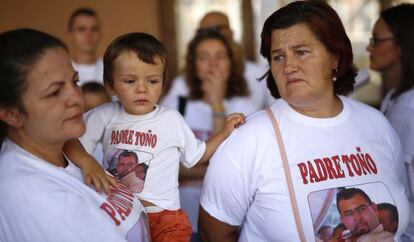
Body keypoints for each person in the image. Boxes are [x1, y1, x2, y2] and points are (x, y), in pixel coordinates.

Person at [198, 1, 409, 241]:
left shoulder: (377, 125)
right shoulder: (249, 139)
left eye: (301, 52)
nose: (289, 66)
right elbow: (212, 232)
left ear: (335, 58)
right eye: (278, 57)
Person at [63, 32, 245, 242]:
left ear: (162, 84)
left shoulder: (171, 119)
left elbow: (198, 155)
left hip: (166, 219)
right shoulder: (105, 115)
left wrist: (224, 132)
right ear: (110, 84)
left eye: (152, 80)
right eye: (130, 81)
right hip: (120, 213)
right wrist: (89, 163)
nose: (142, 88)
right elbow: (68, 140)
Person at [0, 28, 150, 241]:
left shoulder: (65, 147)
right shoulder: (34, 197)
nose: (76, 98)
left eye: (75, 81)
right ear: (10, 114)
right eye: (54, 92)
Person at [161, 11, 274, 112]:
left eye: (216, 29)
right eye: (201, 31)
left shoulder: (259, 74)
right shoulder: (183, 82)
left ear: (231, 33)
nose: (212, 63)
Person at [366, 4, 414, 241]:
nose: (368, 47)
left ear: (402, 45)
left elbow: (401, 185)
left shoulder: (409, 110)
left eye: (376, 40)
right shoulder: (392, 98)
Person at [68, 7, 103, 85]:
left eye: (94, 29)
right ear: (71, 34)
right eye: (81, 29)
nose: (88, 35)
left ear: (100, 34)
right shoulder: (64, 71)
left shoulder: (110, 70)